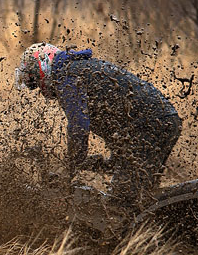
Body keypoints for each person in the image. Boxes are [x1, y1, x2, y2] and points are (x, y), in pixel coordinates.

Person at [14, 43, 181, 207]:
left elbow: (79, 126)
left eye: (35, 83)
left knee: (122, 202)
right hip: (160, 121)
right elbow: (120, 114)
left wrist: (69, 169)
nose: (41, 92)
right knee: (142, 196)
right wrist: (101, 163)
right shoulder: (78, 68)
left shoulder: (66, 75)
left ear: (42, 67)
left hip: (151, 125)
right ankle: (155, 229)